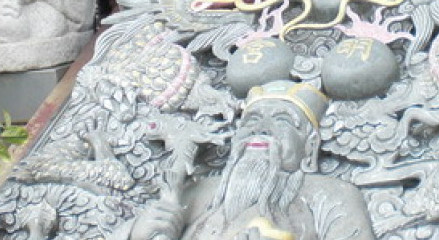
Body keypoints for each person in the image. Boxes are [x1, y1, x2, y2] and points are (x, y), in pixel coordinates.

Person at [128, 80, 375, 240]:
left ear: (309, 147)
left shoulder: (331, 194)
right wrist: (137, 232)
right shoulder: (199, 192)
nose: (261, 129)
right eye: (252, 120)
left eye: (282, 121)